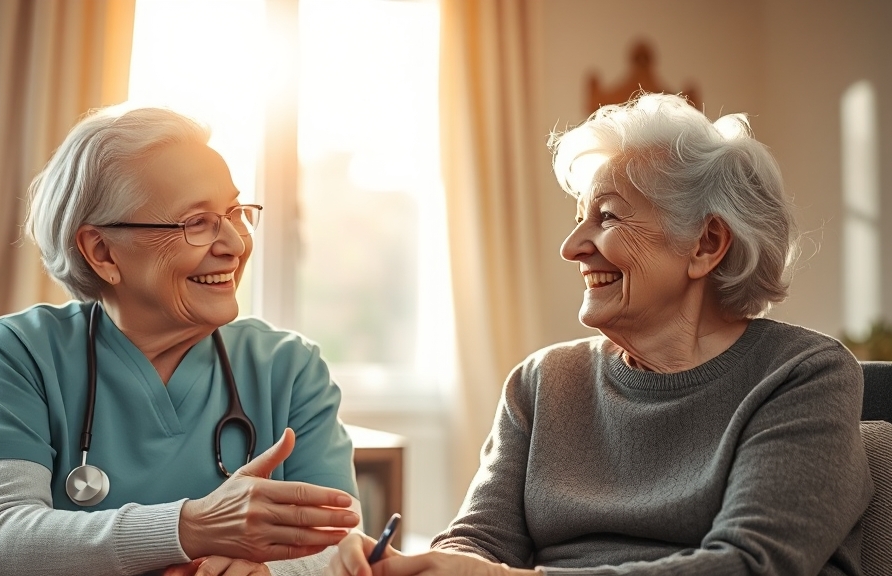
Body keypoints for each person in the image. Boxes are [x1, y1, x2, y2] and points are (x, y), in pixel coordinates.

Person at [326, 93, 874, 576]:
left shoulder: (802, 375)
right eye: (578, 216)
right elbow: (481, 542)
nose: (572, 247)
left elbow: (752, 565)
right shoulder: (544, 382)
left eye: (607, 218)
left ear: (706, 244)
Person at [0, 105, 361, 576]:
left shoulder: (288, 366)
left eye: (234, 212)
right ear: (102, 252)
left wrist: (264, 574)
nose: (236, 244)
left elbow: (341, 547)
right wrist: (189, 529)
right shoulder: (19, 353)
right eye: (197, 222)